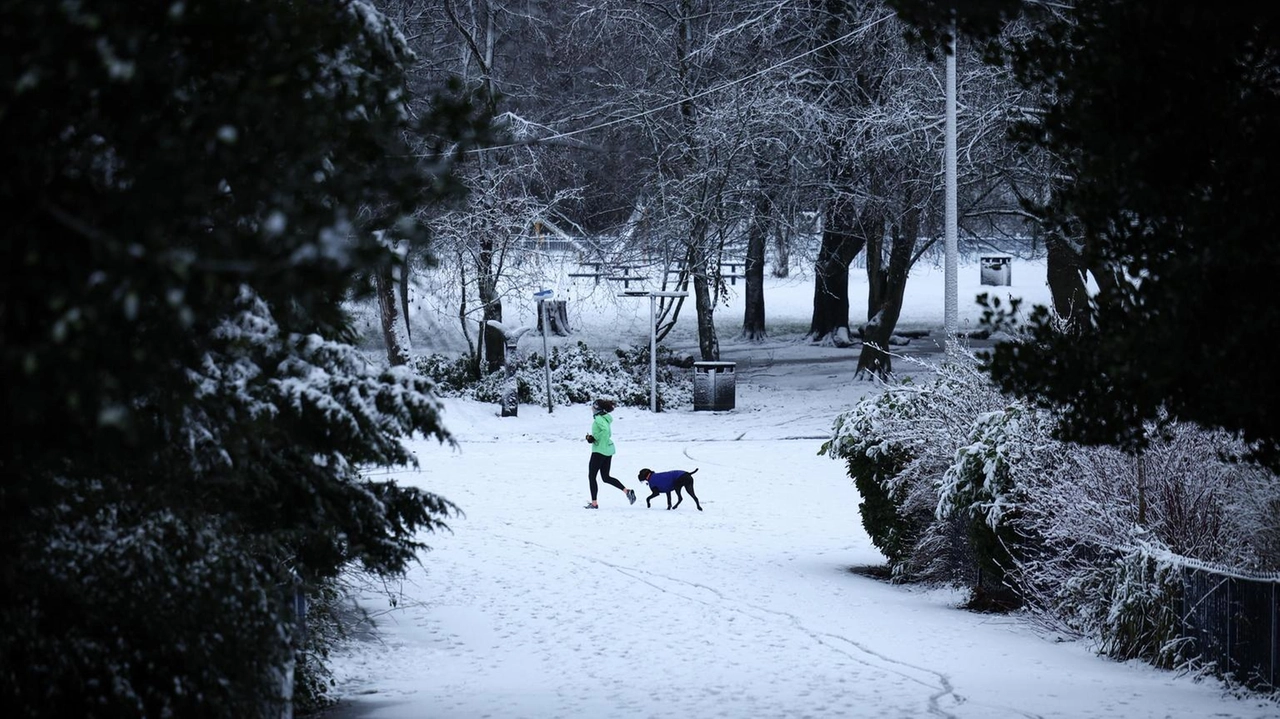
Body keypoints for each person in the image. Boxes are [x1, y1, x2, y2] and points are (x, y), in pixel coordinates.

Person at [583, 398, 636, 509]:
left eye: (593, 407)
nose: (591, 409)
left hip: (599, 451)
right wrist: (593, 438)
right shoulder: (605, 418)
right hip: (607, 450)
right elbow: (607, 432)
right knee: (606, 477)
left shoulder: (598, 418)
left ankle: (594, 503)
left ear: (596, 408)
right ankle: (627, 491)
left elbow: (605, 432)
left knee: (592, 477)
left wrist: (594, 438)